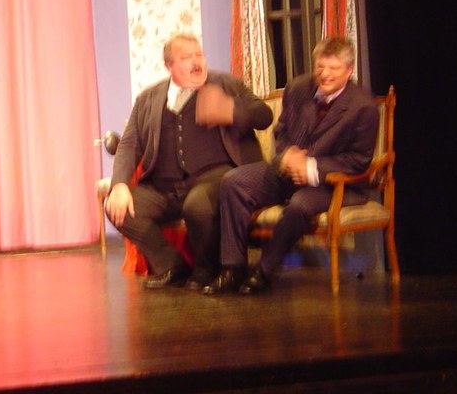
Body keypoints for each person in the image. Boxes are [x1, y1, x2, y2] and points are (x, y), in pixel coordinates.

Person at [203, 37, 379, 295]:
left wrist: (310, 167)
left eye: (333, 68)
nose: (325, 74)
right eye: (320, 67)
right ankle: (233, 268)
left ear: (349, 70)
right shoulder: (298, 88)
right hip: (285, 172)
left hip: (331, 183)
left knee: (299, 205)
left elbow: (359, 160)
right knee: (234, 181)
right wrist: (286, 156)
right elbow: (281, 132)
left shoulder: (363, 106)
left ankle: (263, 271)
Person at [106, 33, 273, 290]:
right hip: (163, 189)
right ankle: (171, 264)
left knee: (197, 205)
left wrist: (229, 109)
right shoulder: (148, 99)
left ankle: (205, 269)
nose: (196, 62)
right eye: (186, 57)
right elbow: (129, 144)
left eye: (199, 55)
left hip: (214, 179)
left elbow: (264, 116)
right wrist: (119, 185)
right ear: (169, 65)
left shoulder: (226, 84)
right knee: (118, 208)